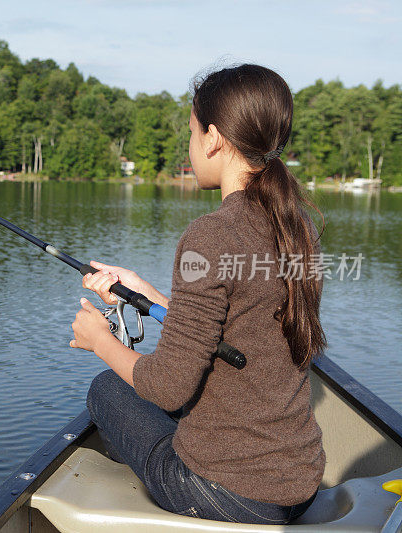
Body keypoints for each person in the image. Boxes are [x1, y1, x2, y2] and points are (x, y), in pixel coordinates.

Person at [69, 64, 326, 524]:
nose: (190, 144)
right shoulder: (298, 226)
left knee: (108, 388)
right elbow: (239, 325)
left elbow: (166, 388)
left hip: (230, 493)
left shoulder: (211, 234)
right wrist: (142, 291)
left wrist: (99, 341)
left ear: (213, 138)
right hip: (300, 482)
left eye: (191, 131)